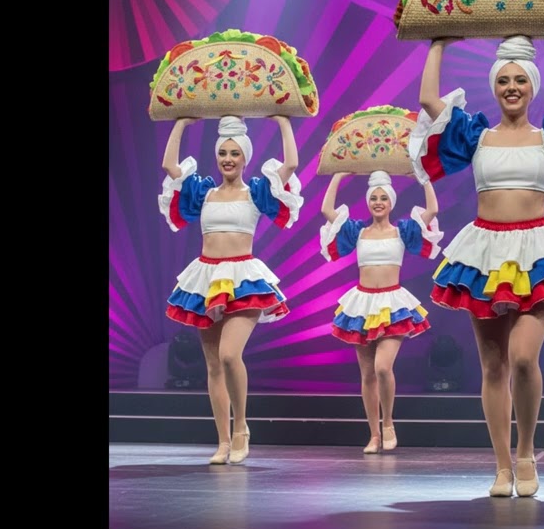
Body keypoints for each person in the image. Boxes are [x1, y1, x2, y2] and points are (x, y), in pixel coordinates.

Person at [410, 34, 544, 497]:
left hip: (537, 254)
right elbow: (428, 100)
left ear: (533, 87)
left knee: (524, 358)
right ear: (494, 86)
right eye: (504, 80)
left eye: (520, 80)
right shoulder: (475, 135)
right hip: (484, 254)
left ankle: (526, 452)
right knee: (493, 366)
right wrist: (439, 44)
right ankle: (502, 466)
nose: (512, 87)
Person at [158, 114, 303, 465]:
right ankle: (223, 440)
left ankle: (241, 429)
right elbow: (169, 166)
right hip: (207, 279)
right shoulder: (203, 191)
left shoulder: (256, 192)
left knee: (228, 355)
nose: (228, 159)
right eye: (223, 152)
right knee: (212, 365)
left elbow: (291, 165)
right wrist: (182, 123)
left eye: (234, 153)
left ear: (245, 157)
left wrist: (283, 122)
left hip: (243, 279)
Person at [319, 170, 444, 453]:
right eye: (374, 198)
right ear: (368, 202)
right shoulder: (357, 232)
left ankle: (388, 423)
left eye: (383, 198)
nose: (378, 202)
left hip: (392, 305)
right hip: (362, 305)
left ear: (391, 202)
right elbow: (327, 210)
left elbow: (433, 210)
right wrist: (338, 175)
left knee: (382, 367)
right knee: (367, 374)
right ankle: (374, 434)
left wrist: (423, 178)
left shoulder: (403, 231)